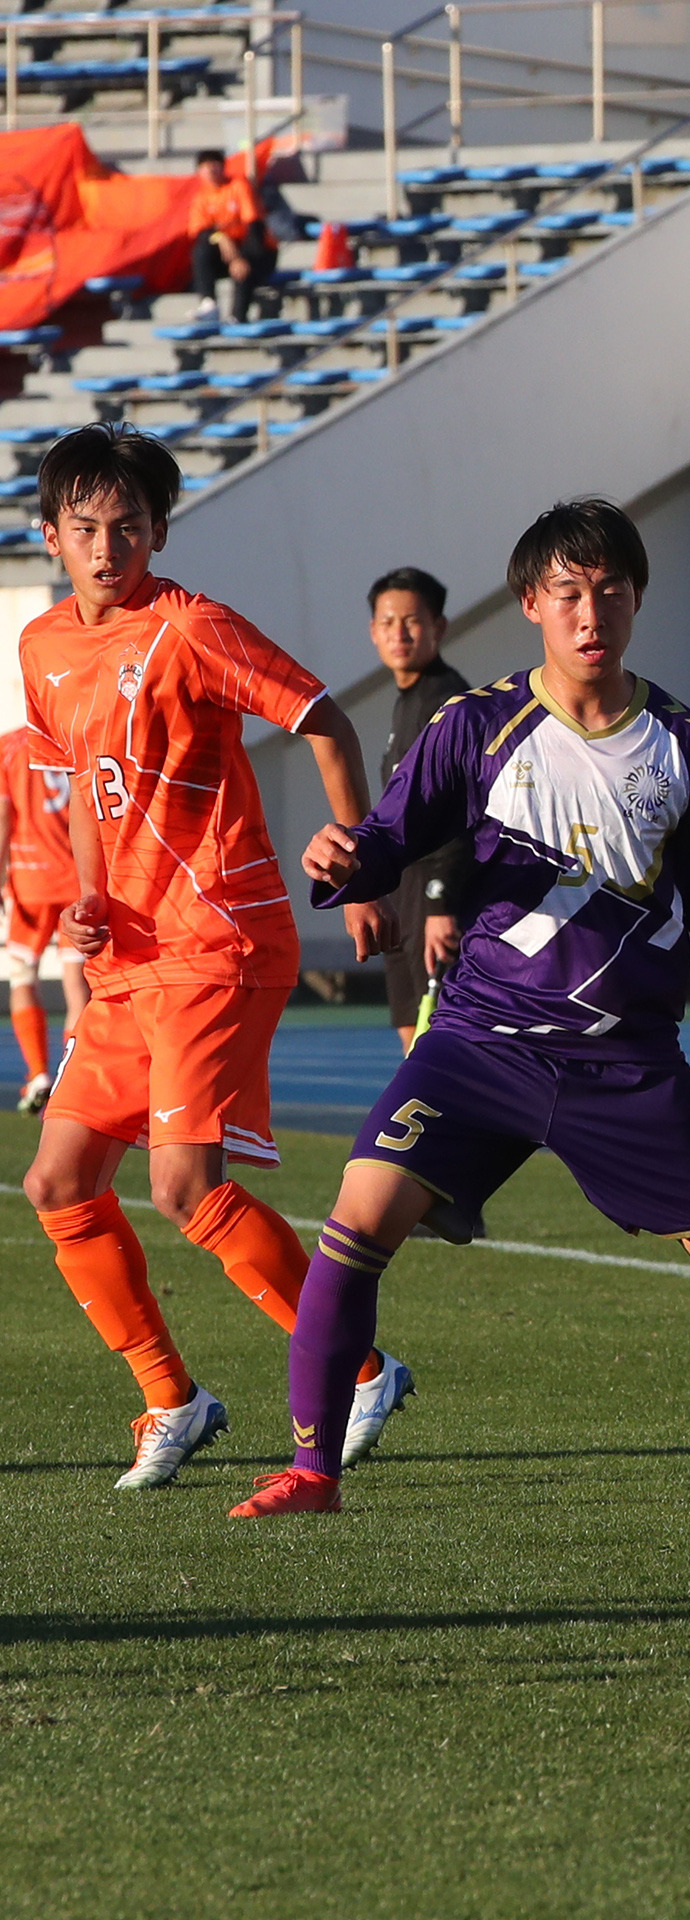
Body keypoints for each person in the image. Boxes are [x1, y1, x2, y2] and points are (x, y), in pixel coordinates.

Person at [234, 498, 690, 1517]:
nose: (590, 613)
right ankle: (314, 1472)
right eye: (568, 594)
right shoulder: (476, 726)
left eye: (610, 592)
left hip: (624, 1063)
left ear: (636, 600)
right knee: (354, 1223)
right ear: (531, 605)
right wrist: (345, 860)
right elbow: (389, 833)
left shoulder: (686, 747)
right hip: (477, 1042)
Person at [18, 424, 413, 1490]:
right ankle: (171, 1401)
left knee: (187, 1186)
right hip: (130, 955)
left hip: (218, 938)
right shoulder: (41, 649)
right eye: (89, 528)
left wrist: (364, 859)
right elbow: (89, 787)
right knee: (56, 1182)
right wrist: (91, 904)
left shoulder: (191, 628)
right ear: (51, 535)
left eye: (131, 528)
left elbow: (325, 719)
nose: (111, 547)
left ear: (158, 532)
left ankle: (361, 1370)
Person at [366, 566, 469, 1049]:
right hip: (403, 903)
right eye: (388, 622)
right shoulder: (406, 701)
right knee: (413, 1048)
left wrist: (440, 903)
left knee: (442, 1052)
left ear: (439, 627)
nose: (399, 633)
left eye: (412, 621)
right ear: (374, 632)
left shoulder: (449, 703)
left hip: (434, 907)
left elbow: (461, 809)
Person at [0, 723, 88, 1112]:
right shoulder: (76, 739)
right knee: (76, 982)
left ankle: (38, 1075)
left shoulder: (8, 747)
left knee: (22, 973)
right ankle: (73, 1077)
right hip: (78, 880)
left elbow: (3, 817)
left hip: (30, 879)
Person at [187, 148, 274, 323]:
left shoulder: (238, 187)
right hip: (229, 252)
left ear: (223, 167)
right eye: (205, 168)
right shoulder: (201, 198)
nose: (211, 172)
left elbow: (254, 227)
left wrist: (240, 258)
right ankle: (209, 303)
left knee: (243, 268)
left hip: (257, 250)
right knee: (202, 252)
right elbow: (202, 232)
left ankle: (238, 316)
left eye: (215, 167)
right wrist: (222, 238)